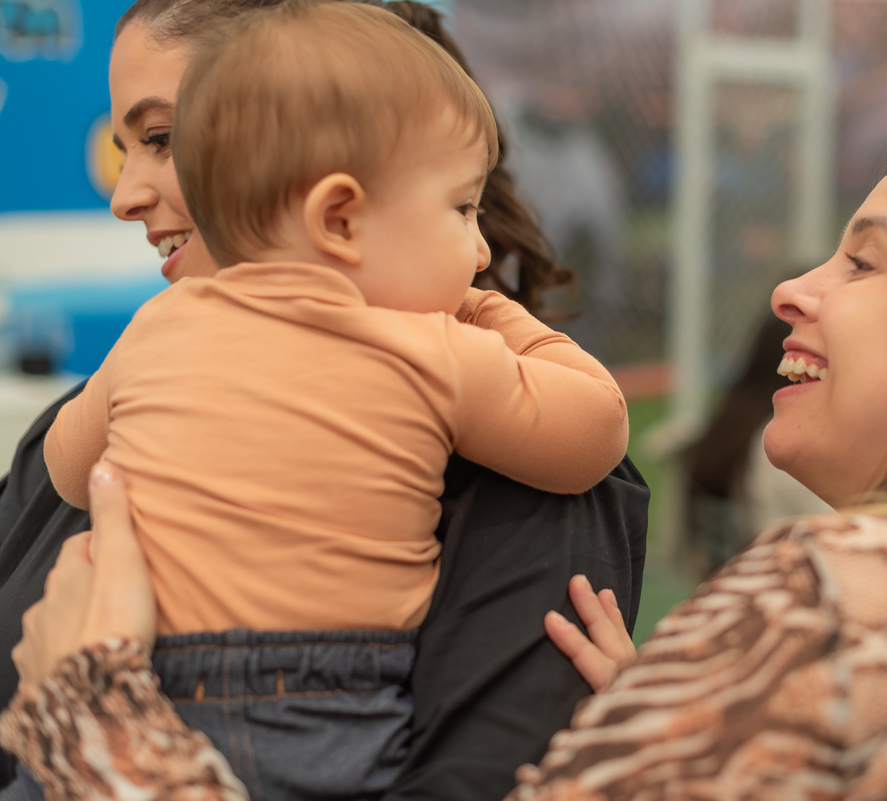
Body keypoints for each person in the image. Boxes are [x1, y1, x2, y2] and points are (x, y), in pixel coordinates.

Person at [9, 102, 887, 799]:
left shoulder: (841, 612)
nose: (791, 290)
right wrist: (721, 735)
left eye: (864, 263)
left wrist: (92, 714)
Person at [0, 1, 647, 797]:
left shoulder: (518, 491)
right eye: (123, 144)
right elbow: (597, 415)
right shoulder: (445, 363)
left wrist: (94, 719)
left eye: (169, 140)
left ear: (335, 207)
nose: (124, 194)